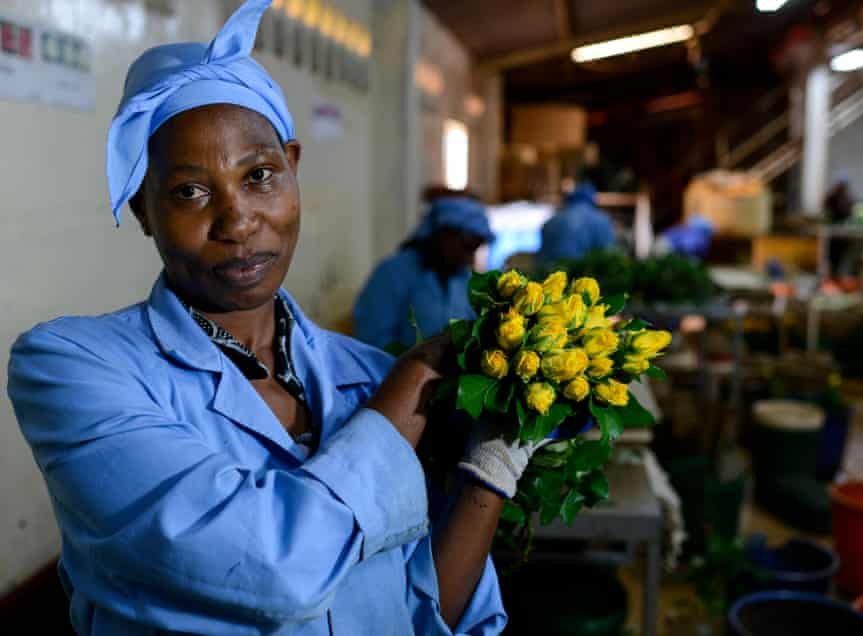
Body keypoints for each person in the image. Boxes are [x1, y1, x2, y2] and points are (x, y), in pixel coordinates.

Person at [7, 1, 537, 633]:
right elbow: (273, 570)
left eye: (259, 175)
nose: (237, 222)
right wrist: (416, 378)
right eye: (189, 192)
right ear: (145, 210)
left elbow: (428, 612)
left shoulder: (365, 376)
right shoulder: (76, 368)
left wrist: (491, 470)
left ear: (293, 167)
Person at [353, 195, 494, 349]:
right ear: (443, 235)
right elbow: (372, 339)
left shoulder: (464, 279)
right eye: (467, 246)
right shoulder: (393, 273)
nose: (469, 258)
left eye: (476, 248)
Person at [536, 182, 616, 267]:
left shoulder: (552, 220)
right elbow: (608, 256)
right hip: (579, 275)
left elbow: (540, 257)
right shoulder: (601, 220)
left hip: (548, 276)